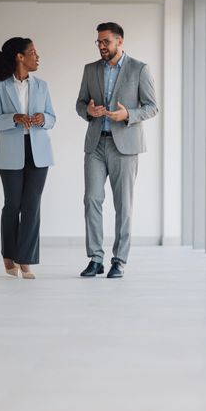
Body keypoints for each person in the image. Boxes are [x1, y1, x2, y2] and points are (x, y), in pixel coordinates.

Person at [75, 22, 159, 279]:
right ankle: (96, 258)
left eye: (106, 42)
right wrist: (88, 111)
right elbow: (80, 104)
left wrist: (127, 115)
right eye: (98, 42)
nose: (101, 46)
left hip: (125, 146)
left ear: (119, 41)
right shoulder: (90, 70)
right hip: (96, 144)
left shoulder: (139, 69)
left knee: (123, 206)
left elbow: (152, 106)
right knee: (92, 199)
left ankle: (119, 260)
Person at [0, 37, 56, 279]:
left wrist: (42, 119)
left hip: (39, 152)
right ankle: (9, 255)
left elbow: (52, 118)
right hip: (11, 152)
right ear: (19, 56)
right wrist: (14, 118)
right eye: (32, 52)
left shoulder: (42, 86)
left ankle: (25, 259)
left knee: (32, 206)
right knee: (12, 205)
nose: (37, 57)